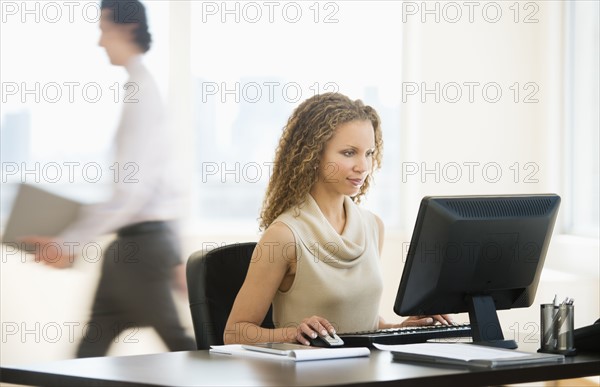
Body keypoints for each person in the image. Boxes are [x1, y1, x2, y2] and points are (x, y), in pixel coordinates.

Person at [22, 0, 196, 357]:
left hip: (142, 251)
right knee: (90, 351)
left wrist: (68, 242)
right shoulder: (143, 88)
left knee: (183, 351)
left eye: (104, 29)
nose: (100, 41)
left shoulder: (141, 92)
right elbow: (166, 185)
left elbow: (131, 192)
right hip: (134, 249)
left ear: (128, 29)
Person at [224, 93, 453, 345]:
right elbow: (235, 332)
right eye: (348, 153)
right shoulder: (284, 235)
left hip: (365, 373)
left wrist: (400, 328)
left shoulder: (372, 226)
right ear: (313, 155)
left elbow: (360, 321)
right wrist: (294, 333)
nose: (363, 166)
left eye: (369, 153)